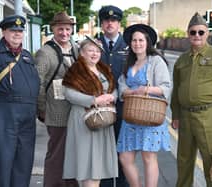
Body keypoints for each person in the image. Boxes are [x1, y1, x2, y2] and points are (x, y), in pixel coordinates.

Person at [170, 12, 212, 187]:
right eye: (193, 32)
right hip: (185, 117)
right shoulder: (181, 60)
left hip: (210, 115)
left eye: (201, 32)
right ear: (188, 34)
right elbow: (176, 90)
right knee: (184, 161)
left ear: (207, 34)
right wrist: (175, 115)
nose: (197, 36)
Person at [0, 15, 40, 187]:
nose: (17, 34)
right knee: (1, 163)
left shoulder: (26, 56)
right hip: (3, 114)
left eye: (20, 31)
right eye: (13, 30)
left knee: (23, 164)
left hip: (27, 117)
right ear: (4, 31)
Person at [117, 24, 172, 187]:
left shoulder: (156, 61)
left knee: (149, 157)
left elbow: (165, 87)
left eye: (141, 40)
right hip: (130, 117)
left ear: (147, 42)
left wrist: (145, 89)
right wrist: (128, 92)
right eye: (134, 40)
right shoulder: (129, 62)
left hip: (149, 115)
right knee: (125, 158)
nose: (137, 43)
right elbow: (121, 87)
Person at [62, 36, 118, 187]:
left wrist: (111, 97)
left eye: (97, 51)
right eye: (90, 50)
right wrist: (94, 100)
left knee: (98, 166)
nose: (94, 54)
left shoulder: (103, 69)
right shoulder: (76, 70)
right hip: (83, 119)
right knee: (86, 164)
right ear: (82, 53)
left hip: (104, 119)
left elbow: (114, 89)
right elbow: (68, 93)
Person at [34, 11, 79, 187]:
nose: (64, 33)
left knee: (73, 152)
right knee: (57, 153)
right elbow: (38, 83)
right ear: (53, 29)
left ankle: (71, 184)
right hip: (56, 111)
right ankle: (53, 184)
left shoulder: (75, 48)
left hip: (75, 110)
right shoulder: (45, 52)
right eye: (60, 29)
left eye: (68, 29)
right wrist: (42, 110)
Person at [97, 5, 129, 187]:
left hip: (123, 106)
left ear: (119, 23)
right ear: (101, 24)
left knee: (123, 149)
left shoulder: (129, 45)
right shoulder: (92, 45)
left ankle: (123, 183)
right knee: (101, 149)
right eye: (107, 21)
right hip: (99, 106)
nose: (110, 23)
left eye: (114, 20)